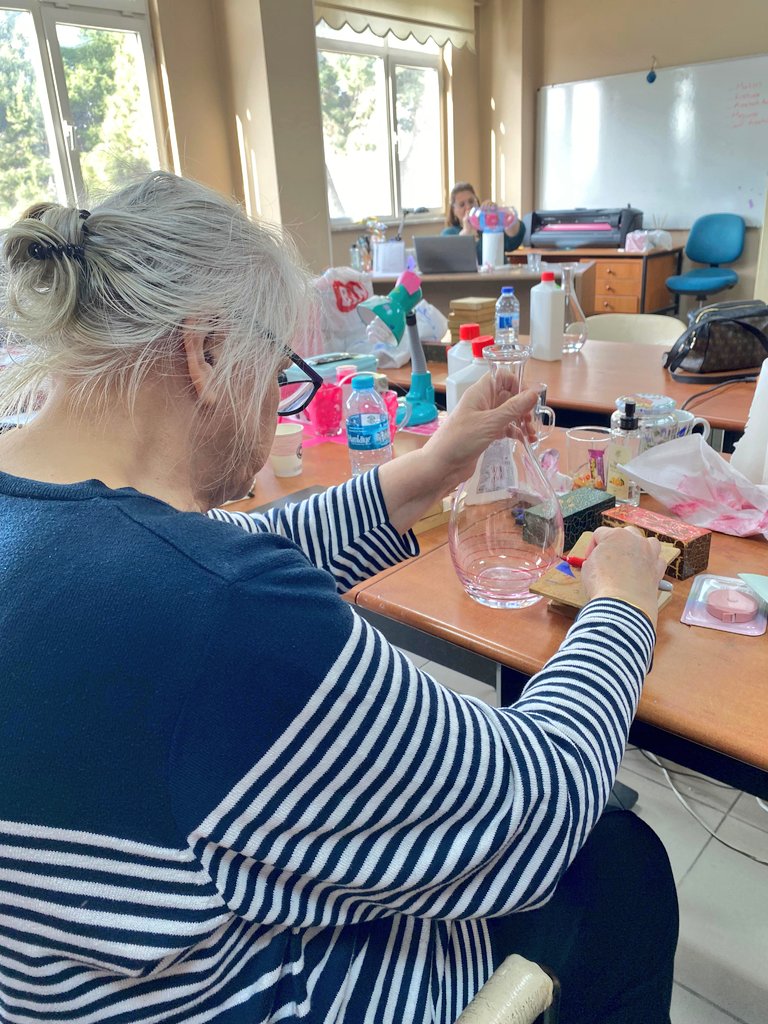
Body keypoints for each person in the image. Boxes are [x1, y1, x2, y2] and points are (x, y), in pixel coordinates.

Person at [0, 172, 676, 1024]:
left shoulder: (52, 517)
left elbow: (223, 549)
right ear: (207, 351)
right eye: (282, 371)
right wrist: (621, 606)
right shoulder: (221, 617)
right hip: (273, 994)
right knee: (620, 860)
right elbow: (535, 805)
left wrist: (433, 469)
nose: (280, 401)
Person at [442, 180, 526, 259]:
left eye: (471, 201)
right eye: (461, 205)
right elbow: (450, 257)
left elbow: (514, 240)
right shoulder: (449, 233)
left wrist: (500, 216)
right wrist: (466, 232)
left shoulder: (491, 227)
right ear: (454, 211)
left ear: (477, 203)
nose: (468, 207)